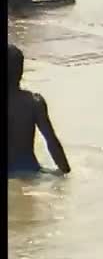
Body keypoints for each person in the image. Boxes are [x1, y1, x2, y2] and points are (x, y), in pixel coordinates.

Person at [8, 44, 71, 177]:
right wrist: (65, 171)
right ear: (21, 71)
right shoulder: (34, 102)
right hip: (29, 171)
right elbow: (51, 141)